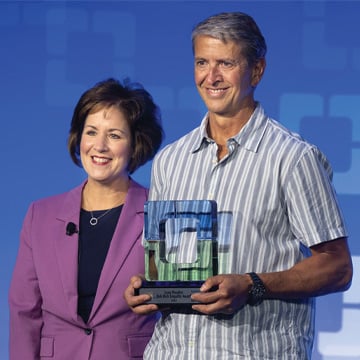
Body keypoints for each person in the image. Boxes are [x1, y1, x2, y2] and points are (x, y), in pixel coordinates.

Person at [124, 12, 353, 359]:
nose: (211, 77)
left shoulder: (292, 158)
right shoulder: (171, 160)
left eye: (225, 63)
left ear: (256, 70)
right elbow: (165, 264)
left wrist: (252, 284)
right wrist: (146, 289)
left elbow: (337, 267)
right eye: (202, 62)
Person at [9, 77, 163, 359]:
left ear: (136, 144)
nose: (99, 146)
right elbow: (24, 311)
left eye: (115, 135)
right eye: (91, 132)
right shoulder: (40, 216)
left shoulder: (160, 213)